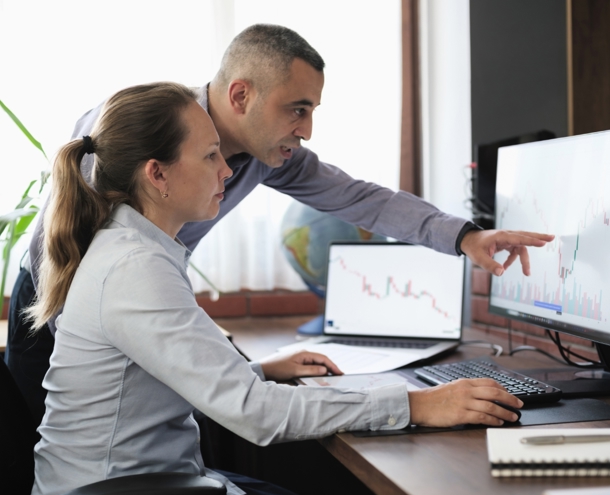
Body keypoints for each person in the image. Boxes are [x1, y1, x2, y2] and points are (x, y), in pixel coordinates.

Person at [6, 23, 553, 424]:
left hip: (138, 319)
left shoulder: (266, 156)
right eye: (297, 109)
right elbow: (83, 279)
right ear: (241, 95)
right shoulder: (143, 130)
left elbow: (359, 197)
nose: (308, 130)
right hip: (54, 306)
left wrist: (465, 236)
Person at [27, 81, 525, 495]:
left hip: (151, 483)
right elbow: (256, 414)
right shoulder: (136, 267)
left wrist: (261, 369)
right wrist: (417, 405)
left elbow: (154, 376)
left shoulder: (137, 247)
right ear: (156, 175)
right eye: (209, 156)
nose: (228, 171)